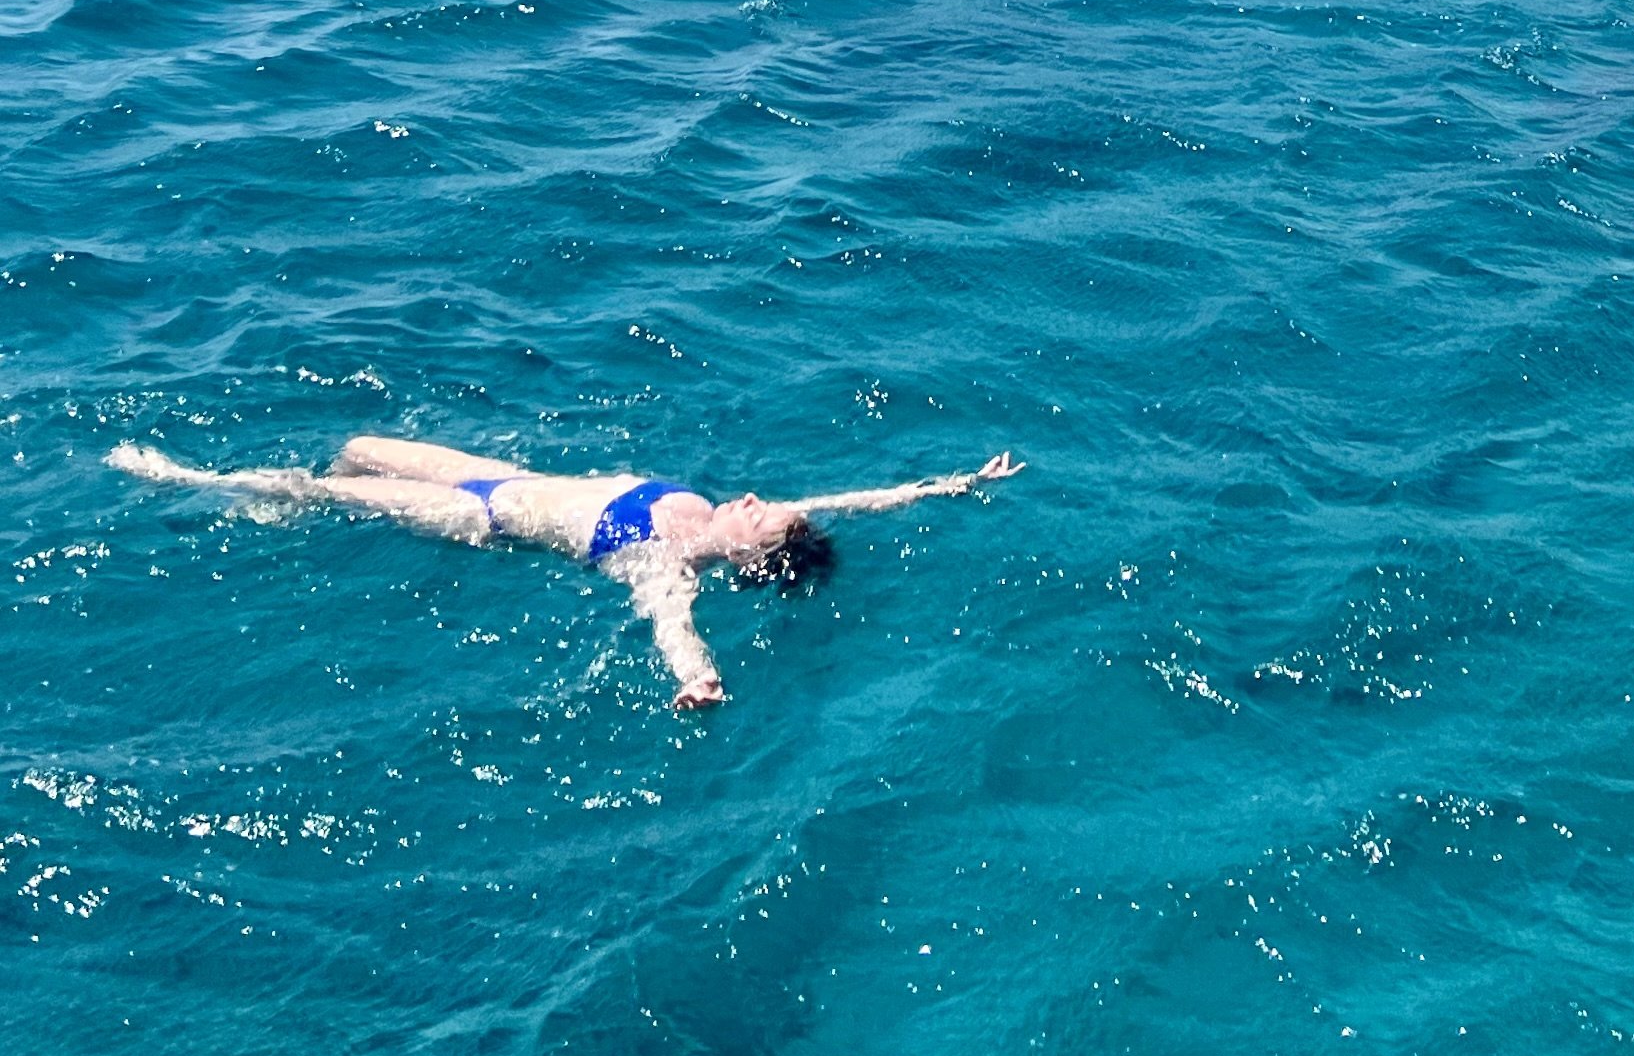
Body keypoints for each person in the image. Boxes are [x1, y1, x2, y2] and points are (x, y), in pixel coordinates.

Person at [109, 429, 1022, 710]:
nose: (753, 494)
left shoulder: (664, 563)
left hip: (480, 516)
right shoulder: (715, 515)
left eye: (763, 512)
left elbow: (675, 627)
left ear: (754, 551)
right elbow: (849, 499)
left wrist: (699, 680)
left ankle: (184, 480)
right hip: (498, 475)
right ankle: (271, 498)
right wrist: (946, 486)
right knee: (354, 447)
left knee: (320, 491)